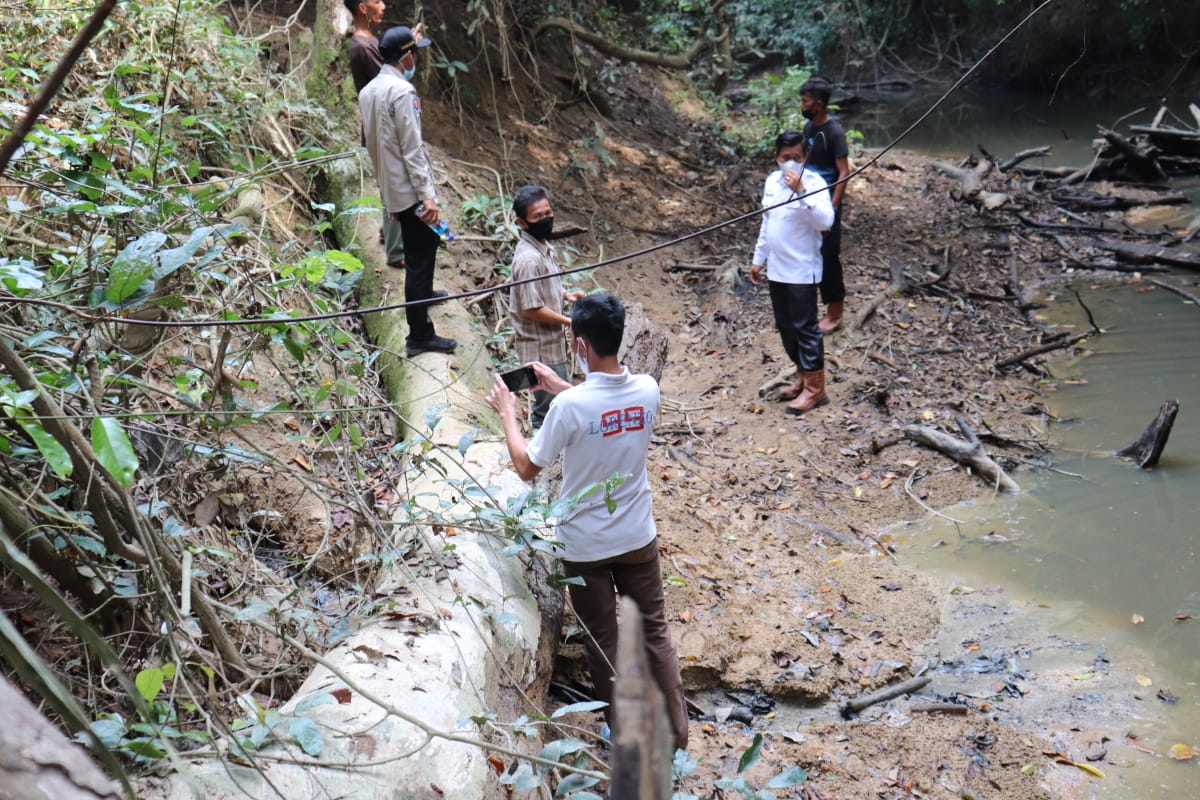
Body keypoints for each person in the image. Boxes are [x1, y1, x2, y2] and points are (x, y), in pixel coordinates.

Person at [485, 294, 689, 752]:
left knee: (604, 641)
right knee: (655, 631)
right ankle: (678, 735)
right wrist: (562, 387)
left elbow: (526, 465)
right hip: (637, 535)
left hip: (586, 546)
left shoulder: (570, 409)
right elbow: (606, 413)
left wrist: (507, 414)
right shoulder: (647, 390)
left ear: (578, 344)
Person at [359, 26, 457, 356]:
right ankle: (419, 335)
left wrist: (387, 193)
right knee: (420, 258)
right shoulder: (402, 92)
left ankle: (425, 295)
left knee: (423, 251)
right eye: (415, 52)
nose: (417, 58)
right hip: (412, 192)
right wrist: (427, 195)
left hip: (394, 188)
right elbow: (412, 148)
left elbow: (374, 147)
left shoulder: (369, 91)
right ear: (405, 57)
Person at [749, 131, 836, 416]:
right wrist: (758, 259)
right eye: (786, 158)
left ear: (805, 158)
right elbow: (768, 222)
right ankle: (802, 375)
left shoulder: (814, 182)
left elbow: (825, 221)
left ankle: (816, 389)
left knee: (805, 327)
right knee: (786, 327)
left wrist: (801, 190)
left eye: (797, 158)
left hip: (802, 270)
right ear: (776, 158)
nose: (791, 163)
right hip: (777, 268)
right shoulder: (772, 182)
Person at [508, 184, 585, 429]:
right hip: (540, 349)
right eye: (537, 217)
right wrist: (570, 322)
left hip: (549, 346)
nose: (545, 220)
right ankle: (543, 459)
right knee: (550, 408)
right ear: (522, 222)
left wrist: (565, 295)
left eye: (547, 214)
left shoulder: (541, 248)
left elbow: (542, 288)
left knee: (554, 402)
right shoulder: (529, 258)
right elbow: (530, 308)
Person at [345, 0, 411, 271]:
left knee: (390, 184)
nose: (383, 5)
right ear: (363, 8)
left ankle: (389, 230)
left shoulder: (370, 41)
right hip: (382, 126)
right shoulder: (363, 46)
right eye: (376, 1)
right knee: (394, 185)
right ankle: (397, 251)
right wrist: (407, 58)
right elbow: (387, 81)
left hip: (381, 125)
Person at [799, 76, 851, 334]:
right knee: (810, 253)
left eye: (806, 100)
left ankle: (835, 314)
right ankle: (811, 309)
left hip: (827, 204)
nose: (803, 104)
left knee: (829, 257)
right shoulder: (809, 129)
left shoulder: (835, 132)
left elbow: (844, 172)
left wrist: (832, 208)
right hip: (809, 200)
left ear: (818, 103)